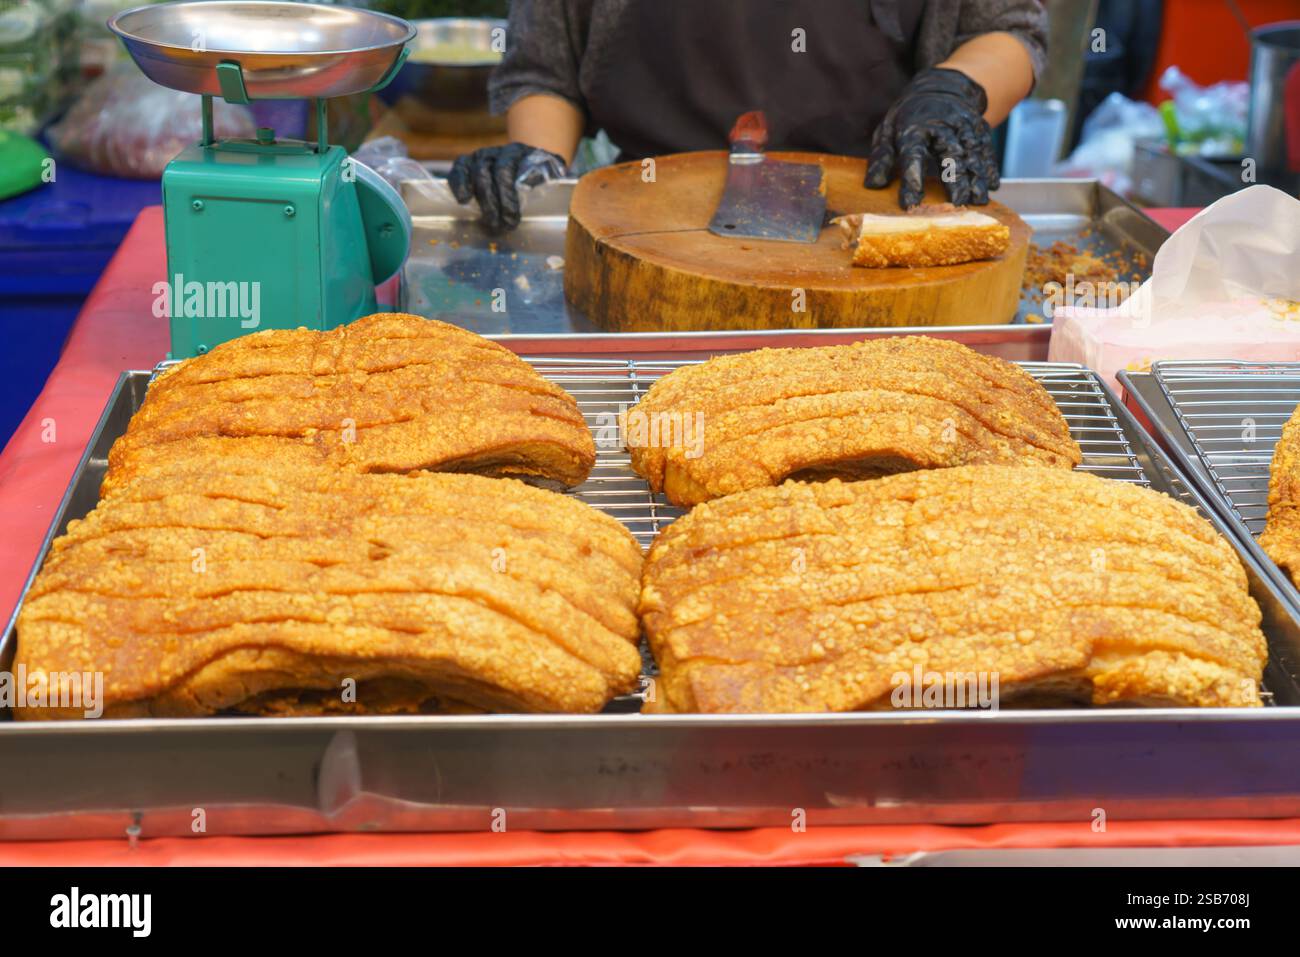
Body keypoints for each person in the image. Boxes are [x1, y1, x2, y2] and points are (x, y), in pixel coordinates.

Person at [449, 0, 1048, 231]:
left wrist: (951, 92)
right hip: (644, 224)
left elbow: (1008, 30)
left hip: (872, 217)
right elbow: (544, 70)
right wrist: (540, 161)